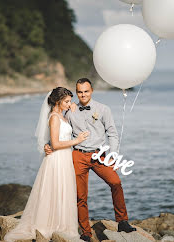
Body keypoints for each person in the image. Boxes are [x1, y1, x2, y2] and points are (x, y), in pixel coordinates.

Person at [44, 78, 136, 242]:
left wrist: (113, 155)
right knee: (81, 196)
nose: (83, 94)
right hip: (78, 155)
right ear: (76, 92)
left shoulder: (103, 109)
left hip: (100, 155)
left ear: (91, 90)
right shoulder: (69, 110)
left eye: (86, 91)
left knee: (115, 183)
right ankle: (86, 231)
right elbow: (56, 126)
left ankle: (122, 221)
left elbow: (112, 133)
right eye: (80, 92)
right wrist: (48, 144)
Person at [4, 87, 89, 241]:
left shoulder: (63, 116)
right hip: (57, 159)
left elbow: (54, 140)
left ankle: (62, 224)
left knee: (63, 191)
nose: (70, 104)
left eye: (70, 101)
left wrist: (74, 106)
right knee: (54, 191)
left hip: (65, 158)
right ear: (57, 102)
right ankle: (50, 225)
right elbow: (55, 144)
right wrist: (77, 141)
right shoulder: (55, 117)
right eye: (67, 101)